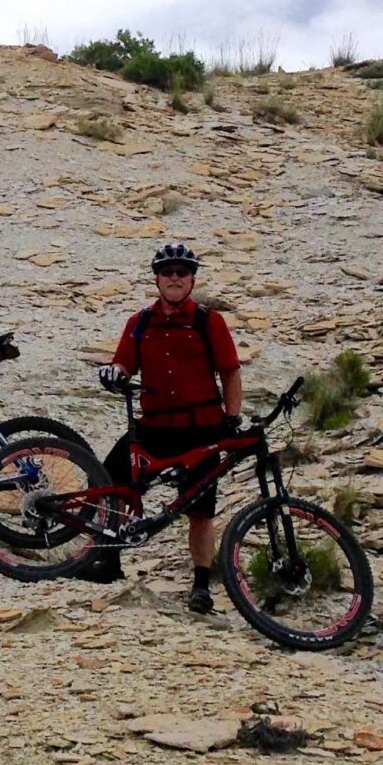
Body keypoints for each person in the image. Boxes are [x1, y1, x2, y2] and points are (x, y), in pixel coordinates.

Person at [96, 242, 243, 614]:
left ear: (192, 278)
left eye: (181, 272)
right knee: (112, 478)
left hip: (201, 427)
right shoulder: (140, 321)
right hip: (154, 426)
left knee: (200, 509)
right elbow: (124, 364)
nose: (174, 278)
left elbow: (230, 370)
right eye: (167, 272)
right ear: (157, 279)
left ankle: (200, 584)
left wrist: (232, 417)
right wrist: (116, 373)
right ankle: (110, 560)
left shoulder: (209, 320)